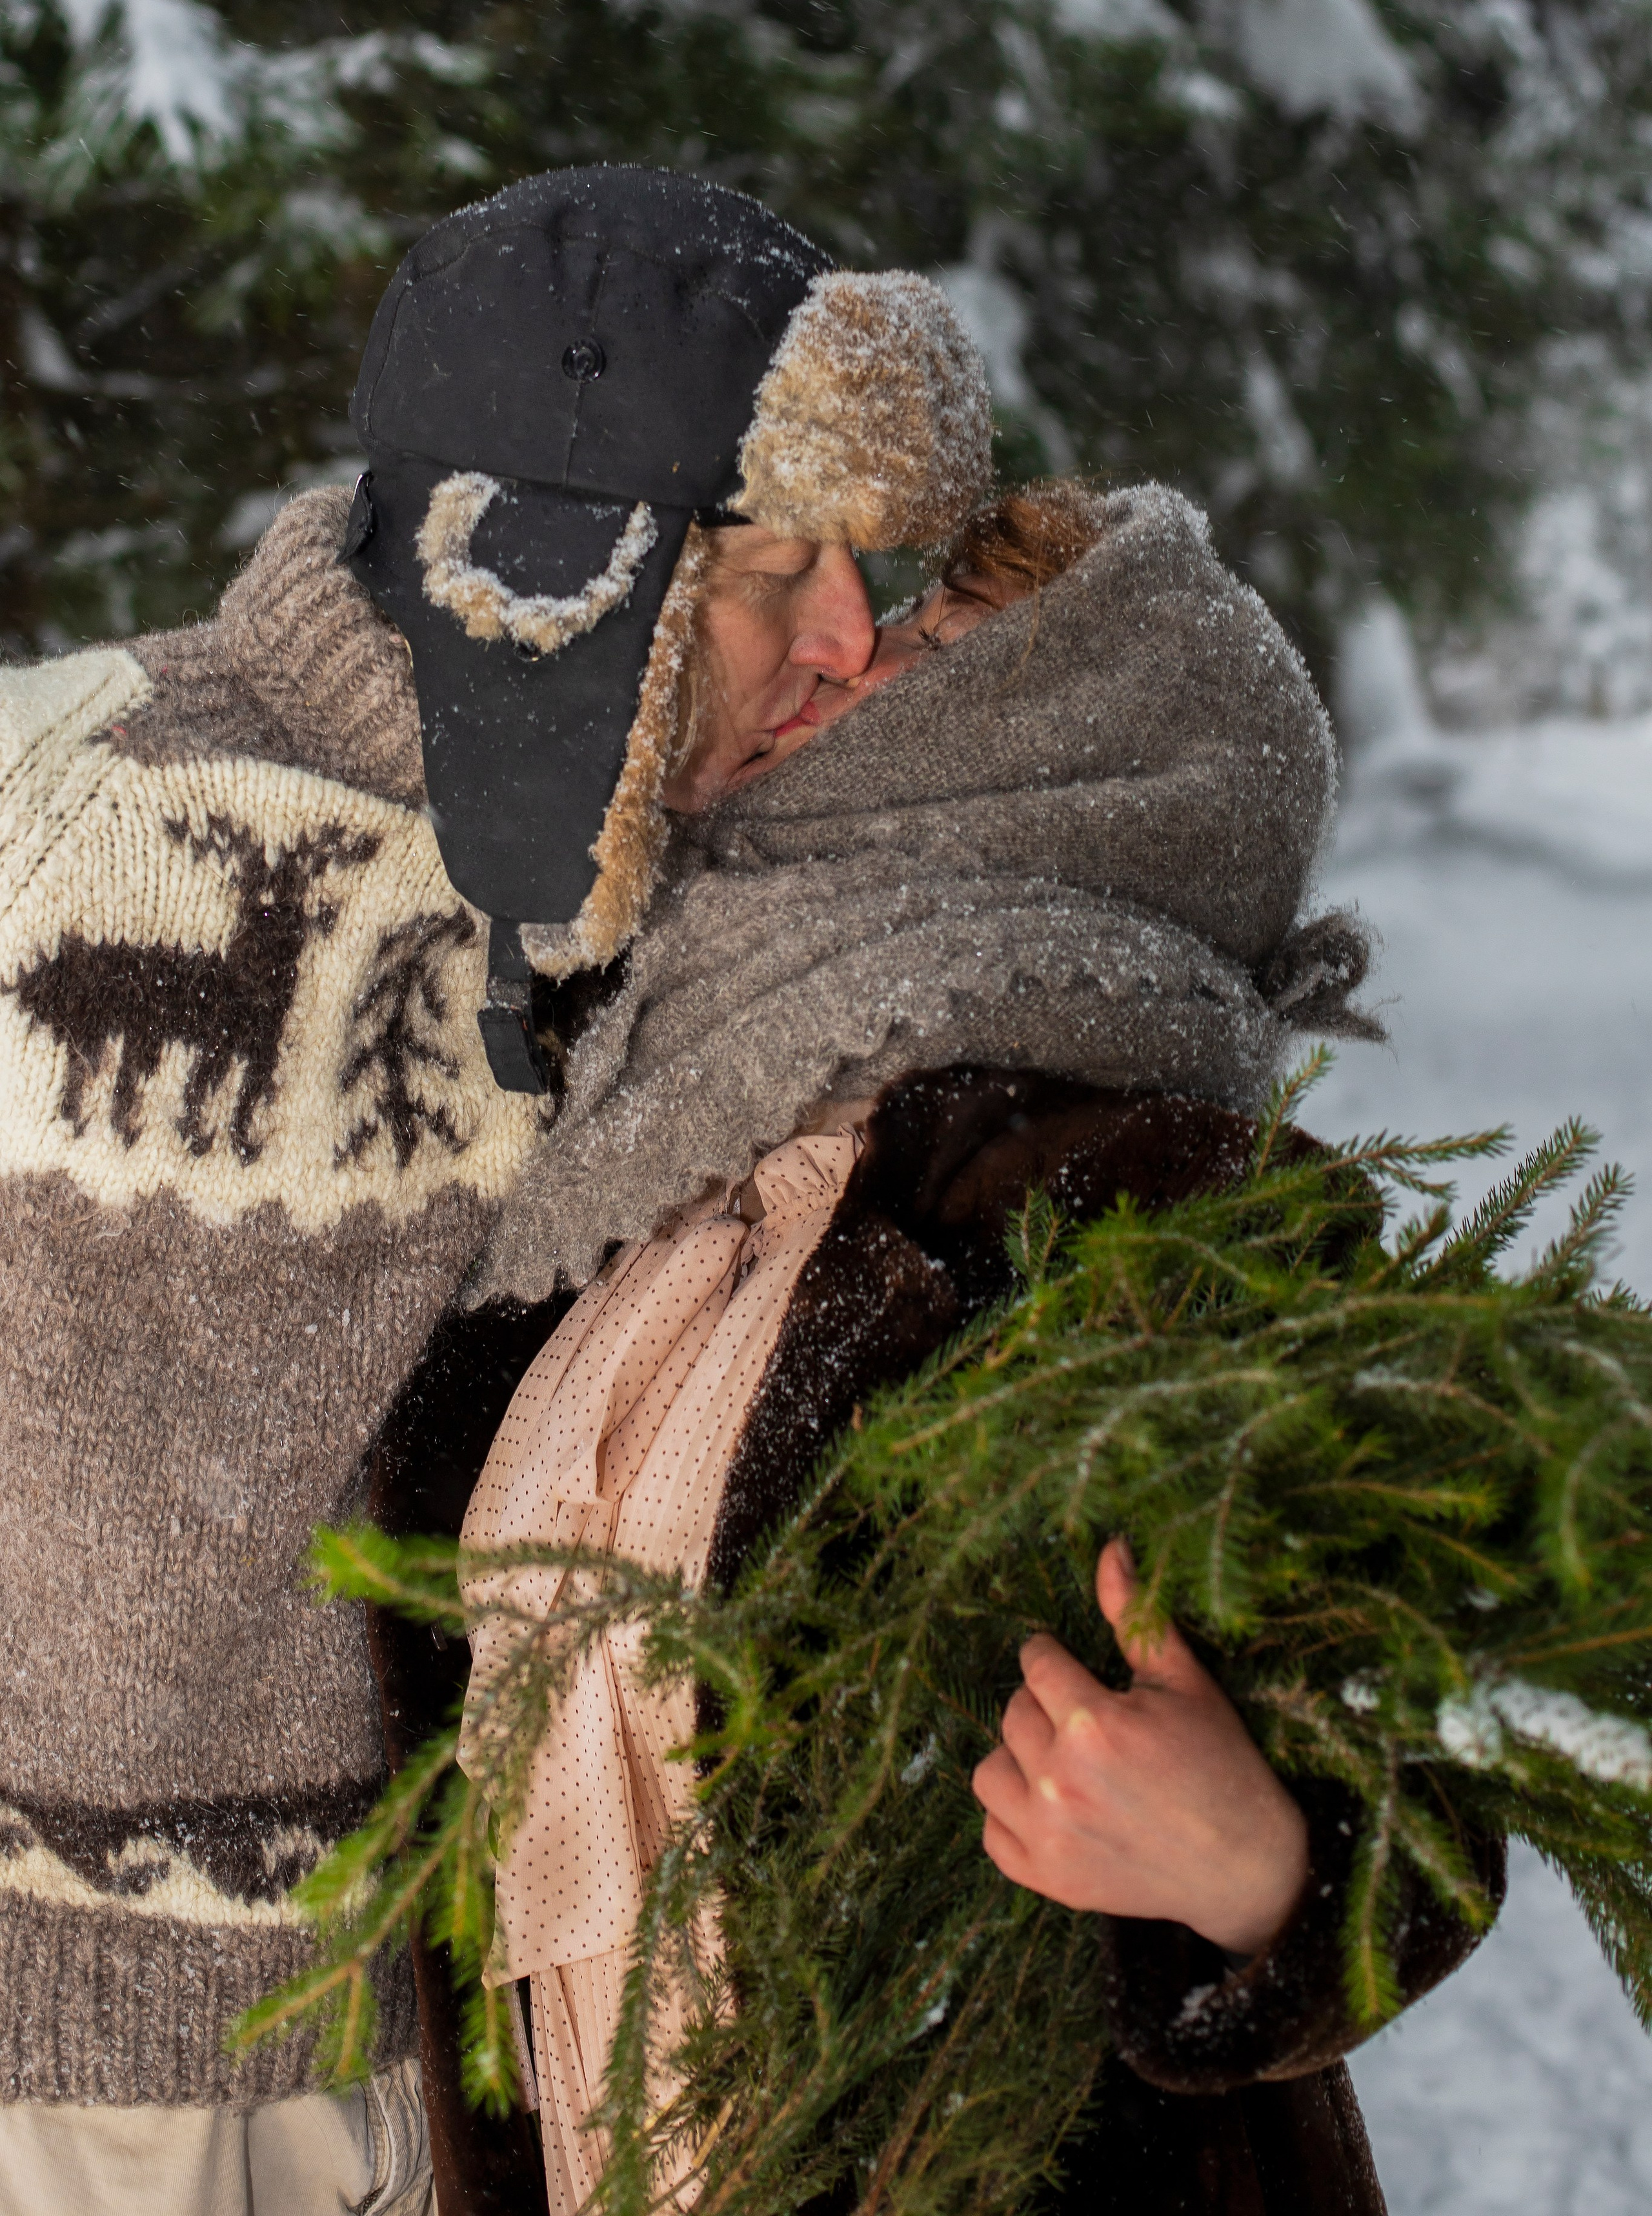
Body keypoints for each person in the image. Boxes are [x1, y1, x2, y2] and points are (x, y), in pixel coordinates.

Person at [0, 166, 996, 2216]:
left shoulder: (723, 899)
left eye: (860, 570)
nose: (845, 639)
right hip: (84, 2106)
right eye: (765, 567)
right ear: (543, 570)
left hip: (526, 2058)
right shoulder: (42, 791)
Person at [453, 474, 1500, 2216]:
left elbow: (1429, 1757)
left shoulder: (1165, 1206)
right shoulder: (628, 1107)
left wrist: (1260, 1874)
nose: (849, 652)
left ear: (1061, 756)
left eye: (937, 640)